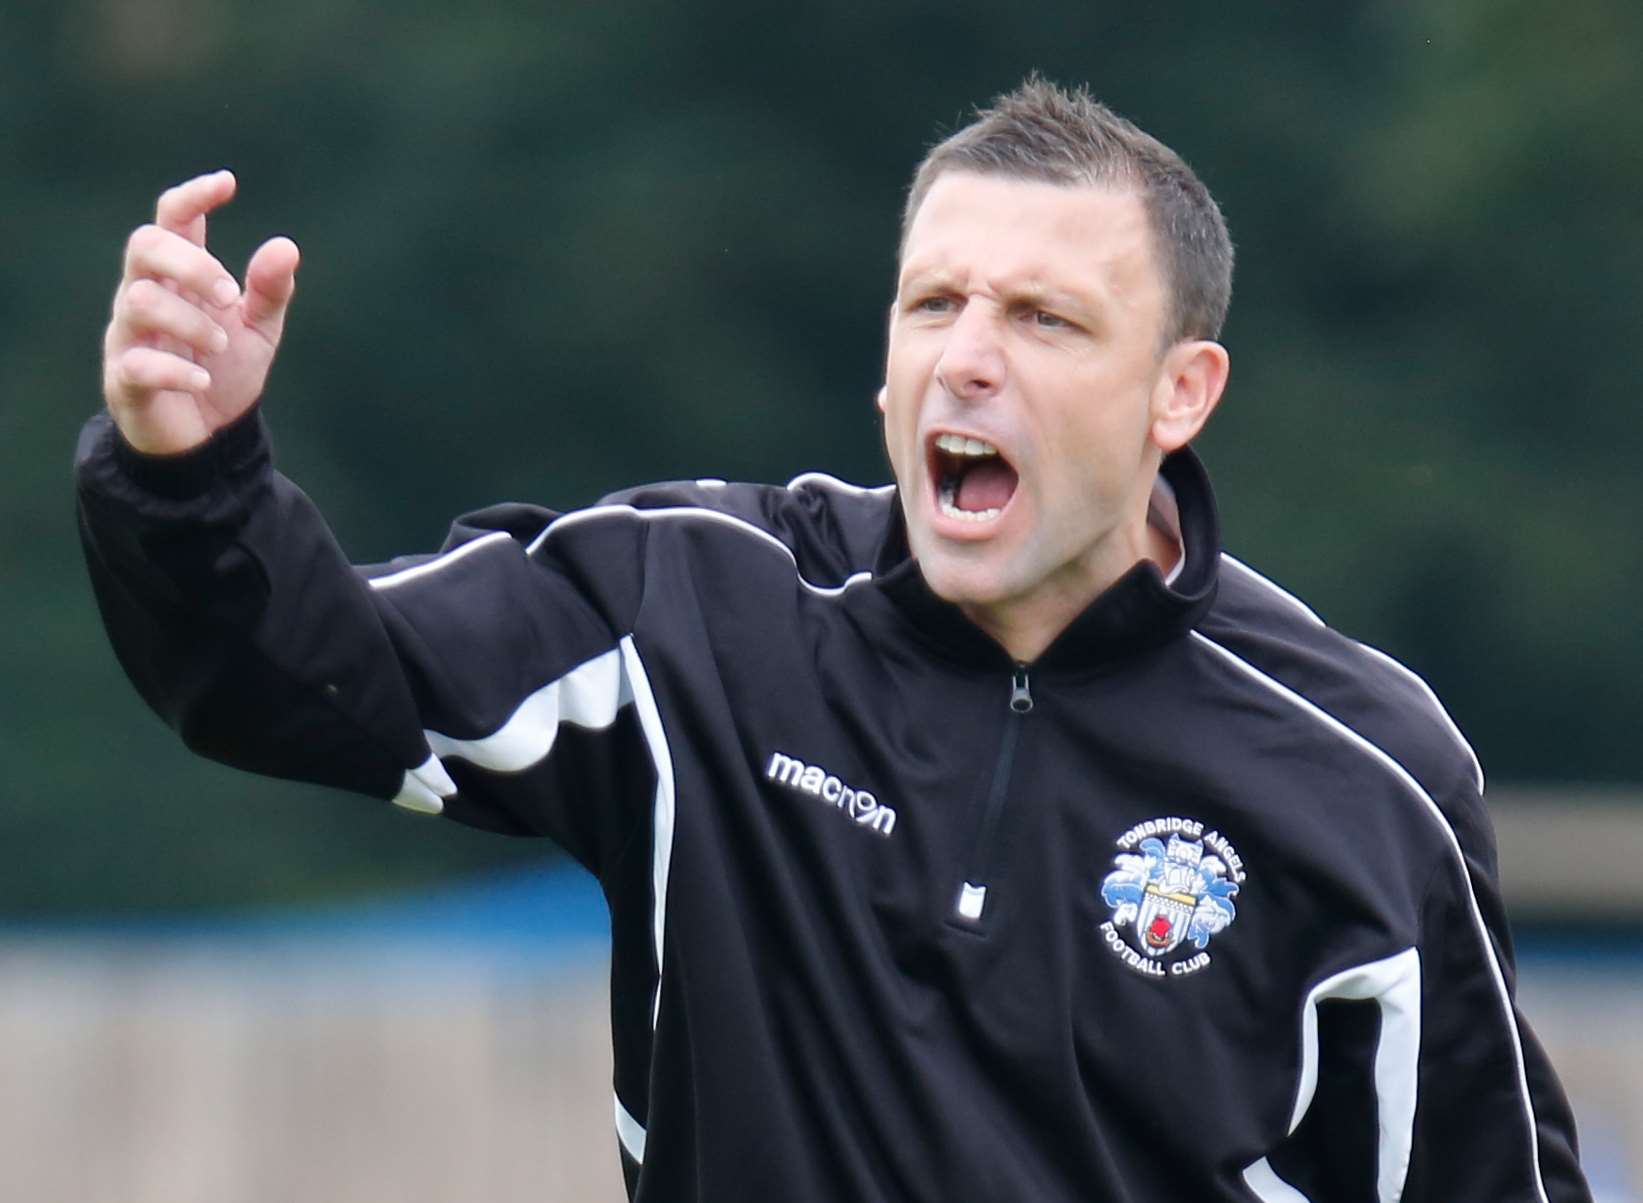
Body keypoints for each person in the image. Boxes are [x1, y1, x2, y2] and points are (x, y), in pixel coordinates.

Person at [77, 78, 1592, 1201]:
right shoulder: (693, 615)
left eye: (1046, 321)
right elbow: (309, 678)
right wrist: (191, 472)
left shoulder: (1366, 778)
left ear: (1179, 394)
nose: (969, 359)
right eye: (934, 303)